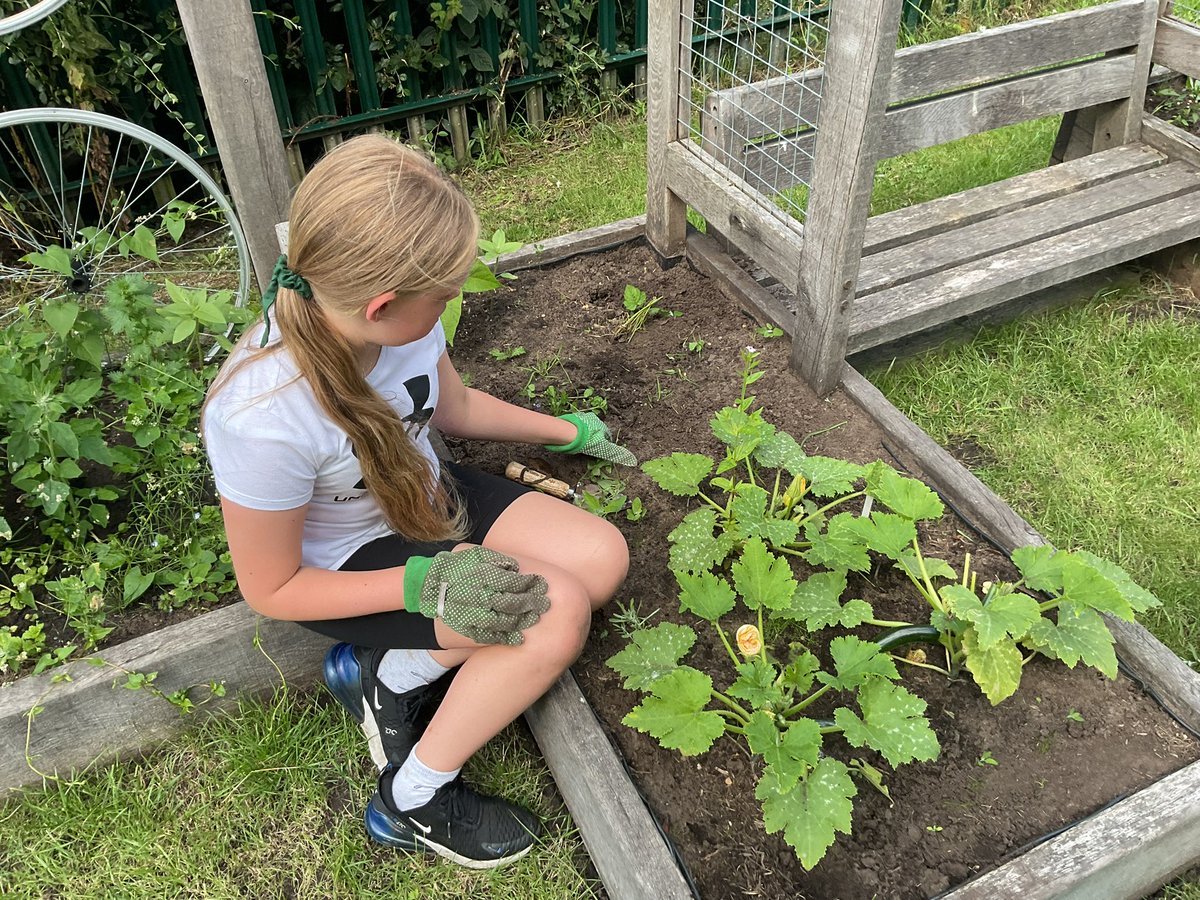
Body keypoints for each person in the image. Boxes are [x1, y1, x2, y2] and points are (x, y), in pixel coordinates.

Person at [202, 134, 632, 870]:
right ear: (380, 303)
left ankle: (388, 678)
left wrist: (570, 431)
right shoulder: (259, 418)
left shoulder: (402, 324)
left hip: (422, 496)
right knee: (553, 610)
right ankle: (414, 798)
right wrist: (422, 583)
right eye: (445, 290)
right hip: (347, 565)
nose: (455, 298)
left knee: (601, 557)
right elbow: (270, 587)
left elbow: (453, 406)